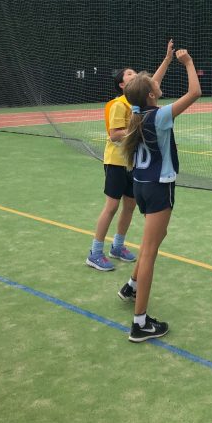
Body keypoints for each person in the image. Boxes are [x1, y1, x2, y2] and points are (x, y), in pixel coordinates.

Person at [119, 48, 201, 342]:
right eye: (153, 85)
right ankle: (140, 323)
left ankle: (131, 286)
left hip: (141, 185)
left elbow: (142, 88)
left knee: (153, 240)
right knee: (150, 251)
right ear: (152, 95)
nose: (156, 83)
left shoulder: (136, 113)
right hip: (158, 187)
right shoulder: (161, 116)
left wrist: (166, 61)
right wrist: (187, 63)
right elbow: (195, 92)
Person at [85, 40, 174, 271]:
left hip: (132, 163)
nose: (135, 75)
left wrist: (167, 59)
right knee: (112, 206)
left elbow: (153, 83)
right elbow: (115, 135)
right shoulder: (119, 104)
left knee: (130, 206)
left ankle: (117, 246)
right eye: (130, 74)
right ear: (122, 84)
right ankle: (95, 252)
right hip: (115, 162)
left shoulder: (138, 101)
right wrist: (139, 129)